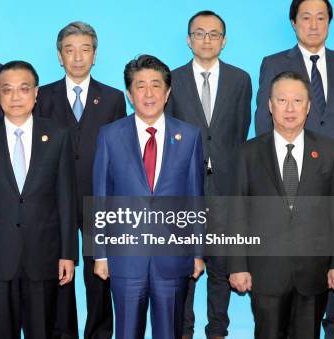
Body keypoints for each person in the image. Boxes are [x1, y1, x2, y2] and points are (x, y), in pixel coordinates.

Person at [0, 61, 78, 339]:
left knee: (41, 332)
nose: (15, 97)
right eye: (7, 90)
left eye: (23, 89)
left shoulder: (58, 135)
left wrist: (68, 254)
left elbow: (66, 200)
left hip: (44, 255)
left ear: (36, 93)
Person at [93, 55, 205, 339]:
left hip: (173, 258)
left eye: (156, 85)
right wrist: (101, 254)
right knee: (127, 332)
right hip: (125, 258)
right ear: (130, 94)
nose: (149, 93)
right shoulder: (110, 135)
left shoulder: (189, 136)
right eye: (140, 86)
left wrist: (197, 252)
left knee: (169, 331)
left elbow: (195, 198)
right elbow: (101, 197)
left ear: (167, 93)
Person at [33, 21, 126, 339]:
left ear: (95, 55)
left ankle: (99, 333)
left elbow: (120, 154)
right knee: (59, 271)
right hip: (53, 199)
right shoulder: (42, 96)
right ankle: (62, 333)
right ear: (59, 56)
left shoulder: (112, 98)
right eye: (69, 50)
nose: (77, 57)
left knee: (99, 273)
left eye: (84, 50)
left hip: (97, 198)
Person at [164, 10, 252, 339]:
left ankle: (218, 330)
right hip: (186, 190)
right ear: (189, 40)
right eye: (199, 33)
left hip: (226, 188)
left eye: (214, 34)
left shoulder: (240, 79)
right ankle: (183, 331)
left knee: (220, 267)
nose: (206, 39)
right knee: (185, 268)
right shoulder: (172, 80)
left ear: (224, 41)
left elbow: (240, 131)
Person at [228, 71, 334, 339]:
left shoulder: (328, 151)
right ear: (270, 105)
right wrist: (237, 265)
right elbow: (237, 211)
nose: (290, 108)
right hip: (265, 273)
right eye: (282, 100)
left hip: (314, 272)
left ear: (308, 107)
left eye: (298, 101)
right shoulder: (248, 153)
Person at [255, 0, 334, 137]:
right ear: (294, 23)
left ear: (328, 22)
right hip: (294, 155)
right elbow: (264, 119)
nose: (314, 26)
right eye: (306, 18)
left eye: (320, 18)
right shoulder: (274, 65)